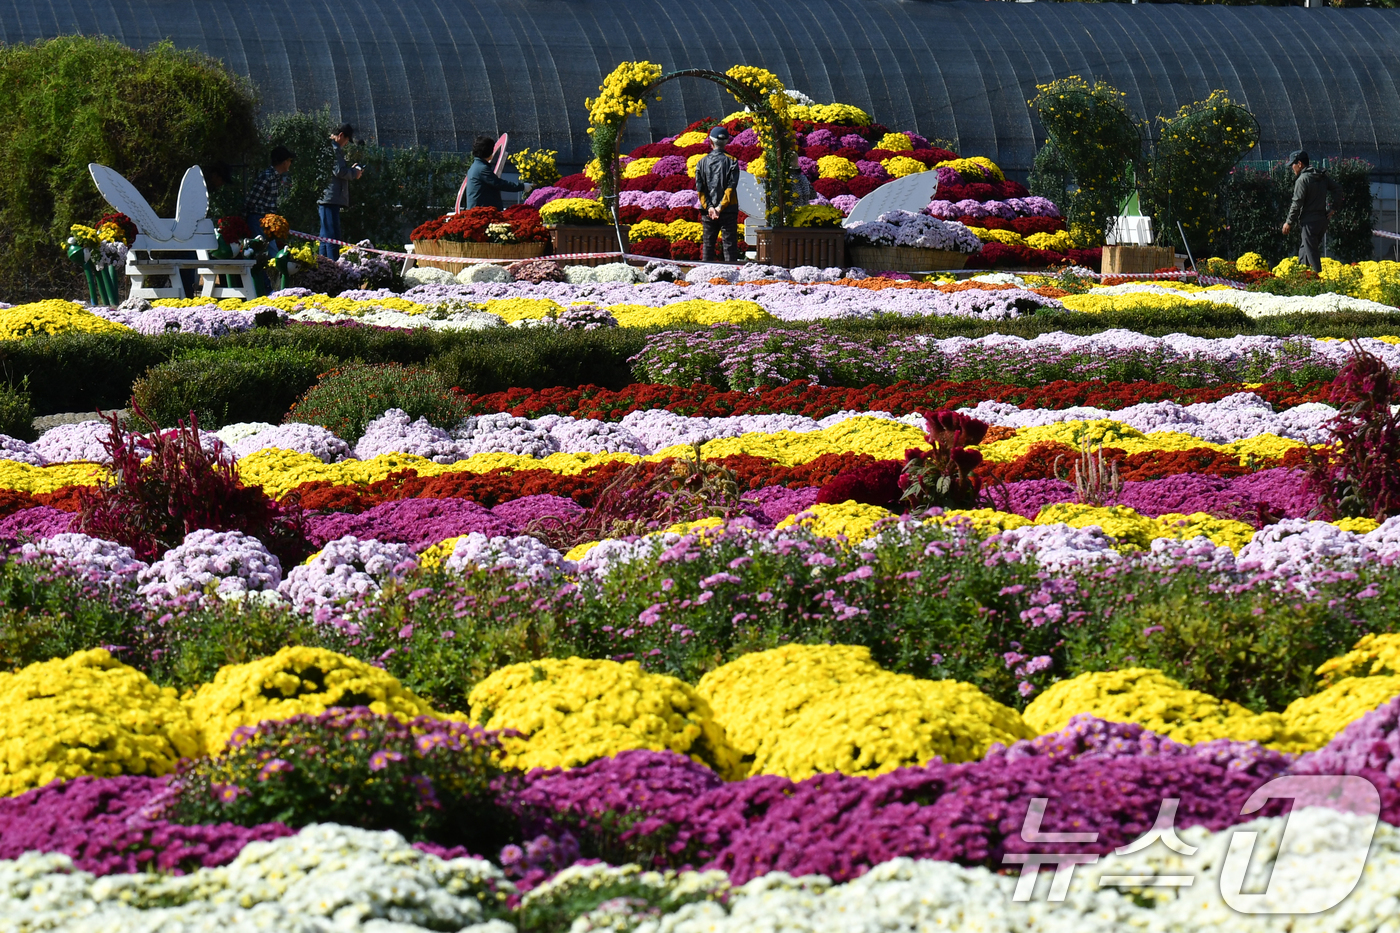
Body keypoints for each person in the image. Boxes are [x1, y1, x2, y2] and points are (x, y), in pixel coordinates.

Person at [1282, 150, 1342, 273]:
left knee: (1311, 253)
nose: (1291, 167)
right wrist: (1334, 208)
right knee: (1304, 250)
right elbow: (1338, 189)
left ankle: (1318, 282)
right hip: (1322, 221)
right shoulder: (1321, 176)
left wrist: (1288, 222)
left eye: (1293, 164)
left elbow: (1297, 203)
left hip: (1309, 222)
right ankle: (1301, 277)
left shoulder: (1302, 180)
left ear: (1299, 164)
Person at [695, 125, 740, 262]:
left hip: (707, 212)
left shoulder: (701, 163)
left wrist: (710, 207)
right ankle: (733, 278)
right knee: (730, 246)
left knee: (708, 245)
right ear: (726, 142)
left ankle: (703, 276)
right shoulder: (732, 161)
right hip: (728, 210)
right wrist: (720, 207)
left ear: (710, 142)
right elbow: (731, 188)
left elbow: (700, 189)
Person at [318, 124, 362, 258]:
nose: (347, 143)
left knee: (327, 236)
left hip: (330, 198)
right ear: (341, 135)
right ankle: (333, 267)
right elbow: (339, 171)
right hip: (330, 198)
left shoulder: (329, 148)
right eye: (347, 140)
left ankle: (323, 266)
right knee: (332, 237)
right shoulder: (334, 149)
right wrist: (355, 173)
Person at [245, 145, 295, 240]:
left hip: (267, 222)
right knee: (262, 251)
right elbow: (251, 200)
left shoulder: (274, 177)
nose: (290, 163)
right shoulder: (267, 176)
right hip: (258, 220)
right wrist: (244, 217)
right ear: (284, 162)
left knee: (271, 252)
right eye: (290, 161)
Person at [465, 135, 526, 209]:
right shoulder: (482, 169)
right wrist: (523, 186)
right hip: (482, 213)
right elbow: (499, 183)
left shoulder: (475, 166)